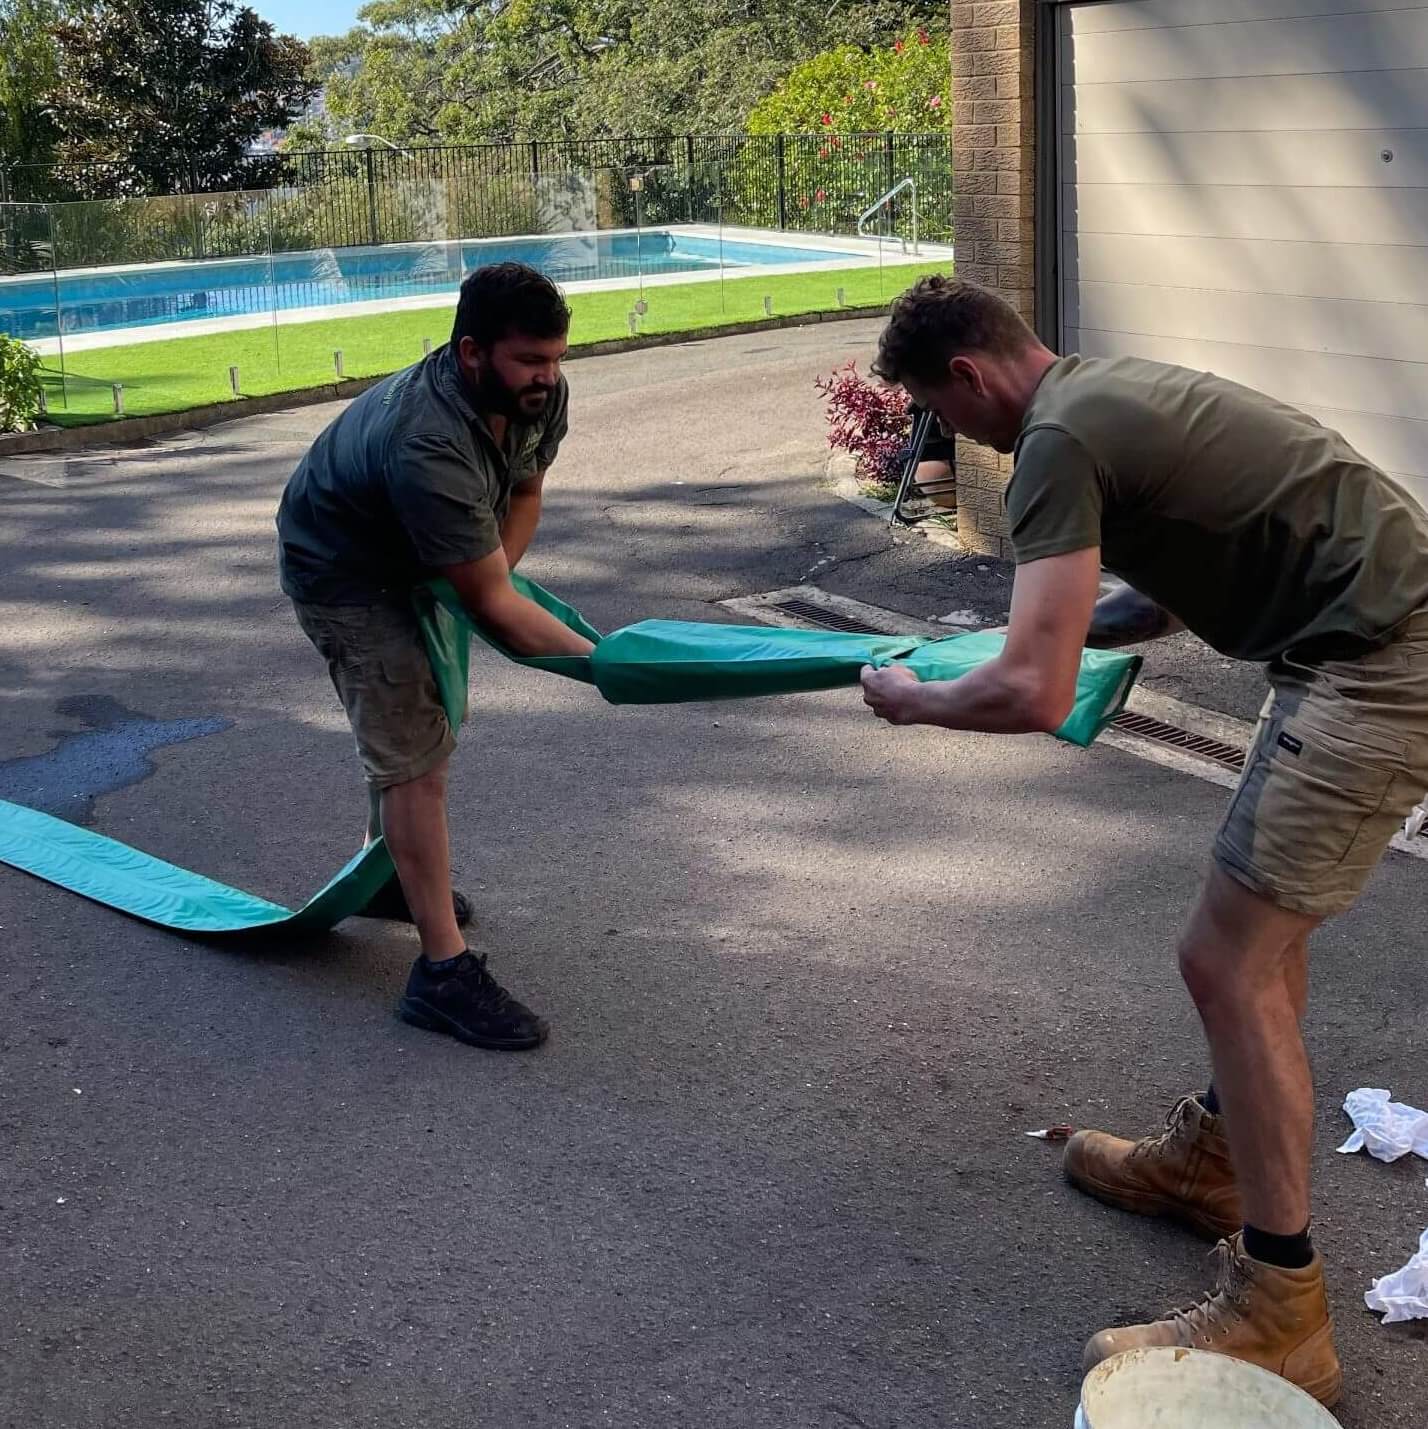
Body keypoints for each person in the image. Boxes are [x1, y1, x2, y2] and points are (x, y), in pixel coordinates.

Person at [860, 275, 1428, 1407]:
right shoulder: (1100, 396)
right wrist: (1008, 633)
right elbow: (1151, 602)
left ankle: (1281, 1308)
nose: (946, 434)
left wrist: (912, 698)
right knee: (1257, 941)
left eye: (938, 410)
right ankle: (1215, 1163)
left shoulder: (1055, 445)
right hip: (1353, 645)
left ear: (968, 377)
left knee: (1226, 961)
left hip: (1377, 665)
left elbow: (1032, 690)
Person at [276, 262, 594, 1052]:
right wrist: (608, 665)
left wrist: (482, 577)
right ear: (470, 352)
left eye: (556, 358)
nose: (547, 378)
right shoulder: (428, 439)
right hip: (344, 571)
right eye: (529, 360)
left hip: (413, 554)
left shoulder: (532, 395)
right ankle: (442, 975)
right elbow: (499, 615)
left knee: (422, 733)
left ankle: (385, 875)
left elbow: (521, 497)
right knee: (414, 754)